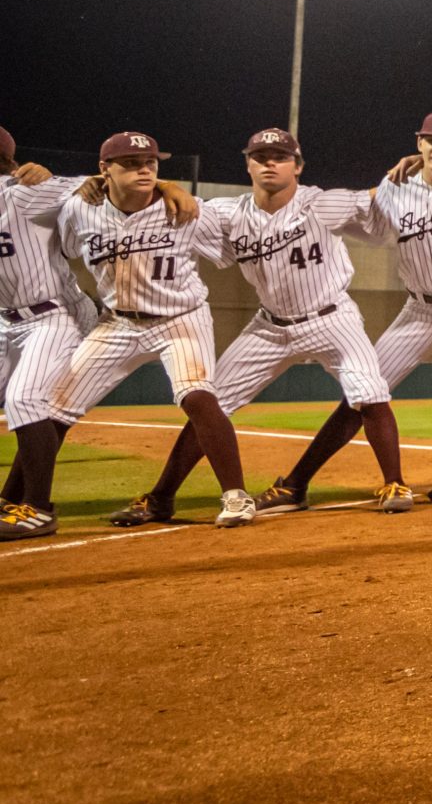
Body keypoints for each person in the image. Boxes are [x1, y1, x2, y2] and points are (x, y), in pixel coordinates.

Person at [118, 128, 411, 520]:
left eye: (280, 156)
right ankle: (161, 497)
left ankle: (394, 481)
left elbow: (376, 203)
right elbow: (170, 208)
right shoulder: (228, 213)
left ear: (298, 166)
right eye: (260, 156)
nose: (269, 162)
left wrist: (421, 174)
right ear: (248, 164)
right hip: (269, 327)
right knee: (211, 406)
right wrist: (168, 186)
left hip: (331, 317)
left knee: (370, 393)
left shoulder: (322, 203)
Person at [267, 111, 432, 508]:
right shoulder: (394, 189)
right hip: (421, 309)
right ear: (418, 144)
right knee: (364, 391)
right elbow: (367, 224)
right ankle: (295, 484)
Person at [40, 133, 257, 529]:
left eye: (152, 163)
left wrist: (171, 189)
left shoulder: (187, 211)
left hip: (180, 318)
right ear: (104, 170)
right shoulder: (79, 209)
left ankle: (237, 496)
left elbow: (226, 253)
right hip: (118, 322)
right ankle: (23, 503)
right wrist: (85, 184)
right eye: (131, 163)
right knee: (52, 409)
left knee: (198, 396)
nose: (145, 169)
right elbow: (68, 246)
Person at [0, 128, 104, 536]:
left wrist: (53, 176)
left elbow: (97, 184)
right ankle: (10, 499)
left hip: (53, 316)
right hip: (6, 320)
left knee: (26, 399)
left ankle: (38, 508)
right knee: (27, 403)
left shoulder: (23, 192)